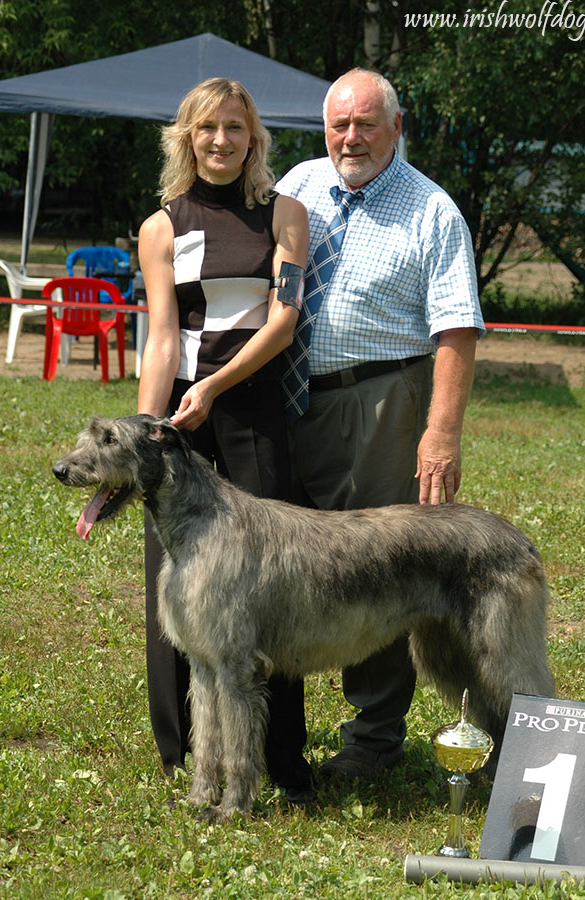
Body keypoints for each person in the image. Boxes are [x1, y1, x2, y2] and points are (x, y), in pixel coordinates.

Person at [277, 69, 485, 780]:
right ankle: (281, 733)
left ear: (396, 127)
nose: (350, 137)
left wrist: (440, 434)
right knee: (287, 564)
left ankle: (371, 741)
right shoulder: (297, 186)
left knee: (377, 571)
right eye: (339, 124)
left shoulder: (431, 211)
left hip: (379, 403)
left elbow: (456, 330)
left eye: (366, 123)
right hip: (287, 399)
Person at [137, 77, 313, 802]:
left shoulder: (285, 214)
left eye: (234, 129)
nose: (220, 141)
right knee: (179, 587)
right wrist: (148, 434)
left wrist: (214, 386)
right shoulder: (162, 226)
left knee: (273, 588)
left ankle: (281, 760)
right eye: (207, 129)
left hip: (256, 414)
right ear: (186, 136)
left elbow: (284, 317)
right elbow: (162, 337)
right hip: (181, 428)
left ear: (253, 138)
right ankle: (183, 757)